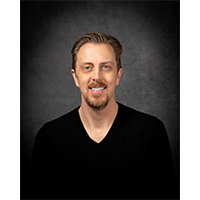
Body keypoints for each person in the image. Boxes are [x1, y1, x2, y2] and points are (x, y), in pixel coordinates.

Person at [32, 32, 179, 199]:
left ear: (118, 75)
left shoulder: (150, 132)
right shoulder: (49, 138)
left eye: (106, 67)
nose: (97, 77)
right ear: (75, 77)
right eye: (87, 67)